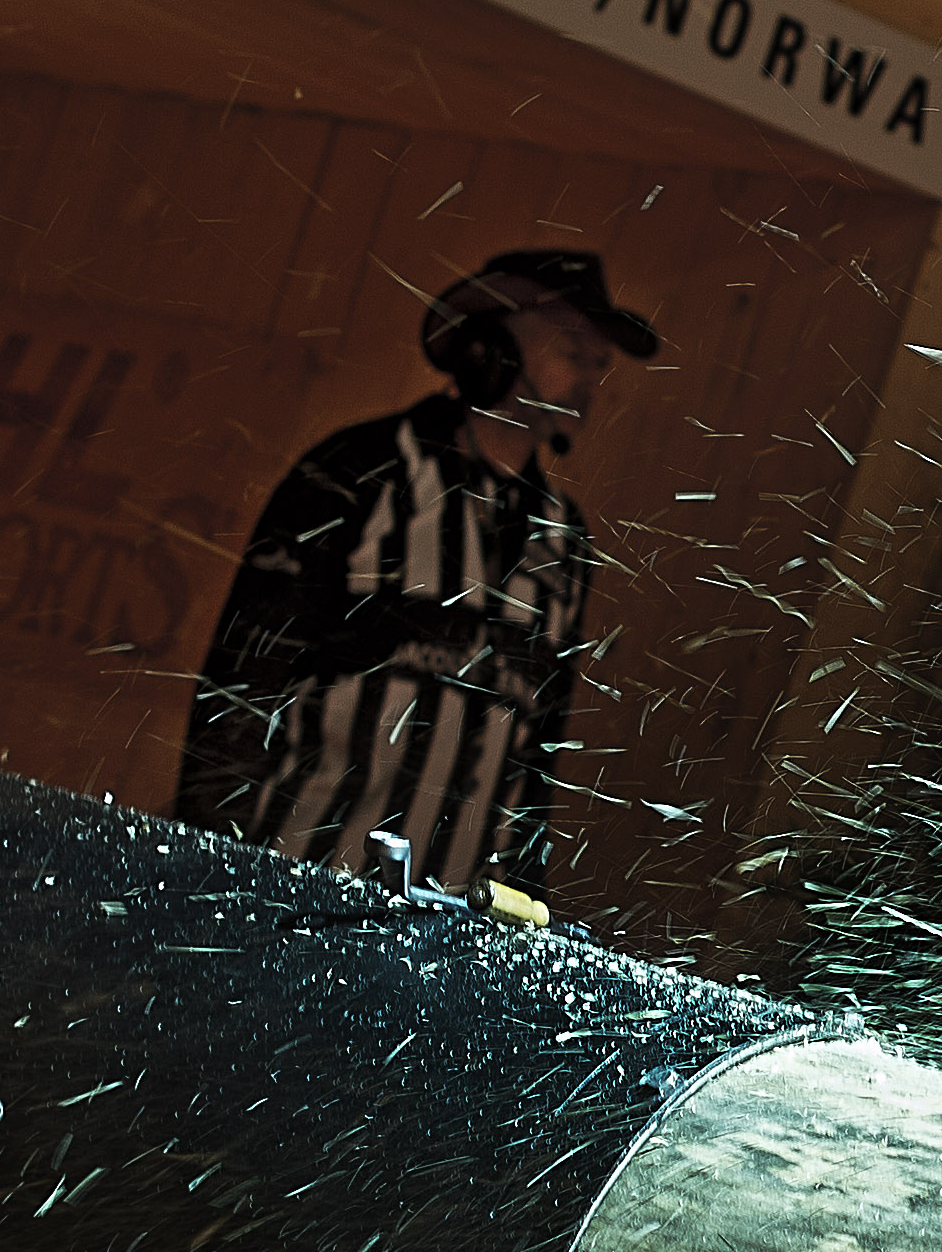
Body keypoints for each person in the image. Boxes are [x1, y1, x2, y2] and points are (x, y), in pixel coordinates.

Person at [174, 246, 656, 895]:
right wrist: (206, 869)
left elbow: (536, 759)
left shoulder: (563, 542)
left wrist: (519, 905)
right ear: (489, 351)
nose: (589, 379)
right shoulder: (355, 473)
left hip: (449, 923)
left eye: (599, 364)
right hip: (295, 889)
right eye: (573, 352)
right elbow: (241, 689)